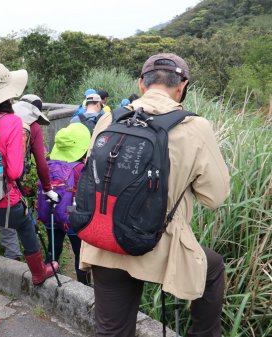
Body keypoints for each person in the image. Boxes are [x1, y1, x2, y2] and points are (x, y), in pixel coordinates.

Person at [79, 53, 230, 336]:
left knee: (111, 331)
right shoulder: (195, 127)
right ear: (182, 85)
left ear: (141, 84)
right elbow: (215, 198)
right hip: (158, 245)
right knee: (213, 268)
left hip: (103, 238)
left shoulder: (109, 119)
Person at [0, 63, 59, 337]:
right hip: (1, 202)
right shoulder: (11, 122)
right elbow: (16, 172)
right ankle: (39, 273)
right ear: (8, 94)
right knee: (26, 223)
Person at [0, 94, 57, 261]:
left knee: (1, 221)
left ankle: (10, 261)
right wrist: (47, 188)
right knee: (22, 220)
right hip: (13, 182)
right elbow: (41, 163)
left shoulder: (1, 117)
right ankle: (29, 265)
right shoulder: (33, 127)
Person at [42, 123, 91, 285]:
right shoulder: (80, 168)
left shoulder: (48, 163)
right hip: (72, 215)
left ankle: (49, 279)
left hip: (51, 213)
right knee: (79, 253)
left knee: (53, 248)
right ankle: (84, 286)